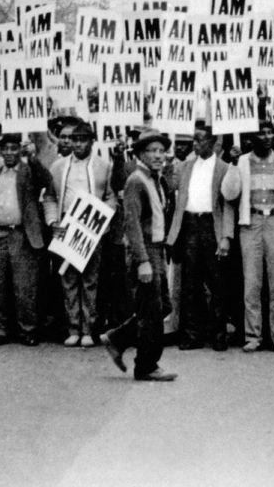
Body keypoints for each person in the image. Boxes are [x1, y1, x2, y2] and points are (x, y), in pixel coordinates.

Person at [100, 129, 177, 381]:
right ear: (140, 154)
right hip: (144, 250)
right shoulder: (136, 180)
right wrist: (143, 261)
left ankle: (117, 338)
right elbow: (131, 223)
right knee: (152, 311)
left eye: (161, 151)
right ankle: (146, 366)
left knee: (162, 306)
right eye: (152, 151)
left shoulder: (156, 178)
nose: (158, 155)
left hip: (156, 248)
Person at [221, 122, 274, 354]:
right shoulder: (242, 161)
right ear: (252, 138)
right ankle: (253, 336)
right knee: (252, 283)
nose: (266, 137)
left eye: (269, 133)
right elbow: (229, 193)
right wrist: (233, 164)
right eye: (261, 133)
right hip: (251, 223)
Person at [44, 121, 116, 347]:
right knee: (68, 279)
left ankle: (88, 329)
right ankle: (73, 328)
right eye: (74, 140)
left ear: (91, 142)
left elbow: (110, 196)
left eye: (83, 140)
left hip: (91, 226)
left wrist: (102, 218)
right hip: (67, 223)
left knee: (90, 280)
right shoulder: (58, 166)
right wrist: (53, 221)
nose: (77, 144)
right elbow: (50, 197)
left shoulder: (103, 166)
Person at [0, 133, 52, 346]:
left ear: (20, 150)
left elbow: (47, 181)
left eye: (13, 148)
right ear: (0, 151)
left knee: (25, 286)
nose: (9, 153)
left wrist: (33, 158)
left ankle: (27, 330)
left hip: (21, 234)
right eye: (5, 149)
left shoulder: (29, 171)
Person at [165, 125, 234, 351]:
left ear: (213, 142)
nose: (195, 144)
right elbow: (171, 188)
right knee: (190, 282)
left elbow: (228, 204)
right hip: (189, 225)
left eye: (200, 140)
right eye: (194, 140)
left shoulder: (224, 168)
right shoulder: (184, 166)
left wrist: (226, 236)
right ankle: (192, 334)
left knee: (217, 282)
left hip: (211, 225)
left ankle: (218, 334)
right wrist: (168, 166)